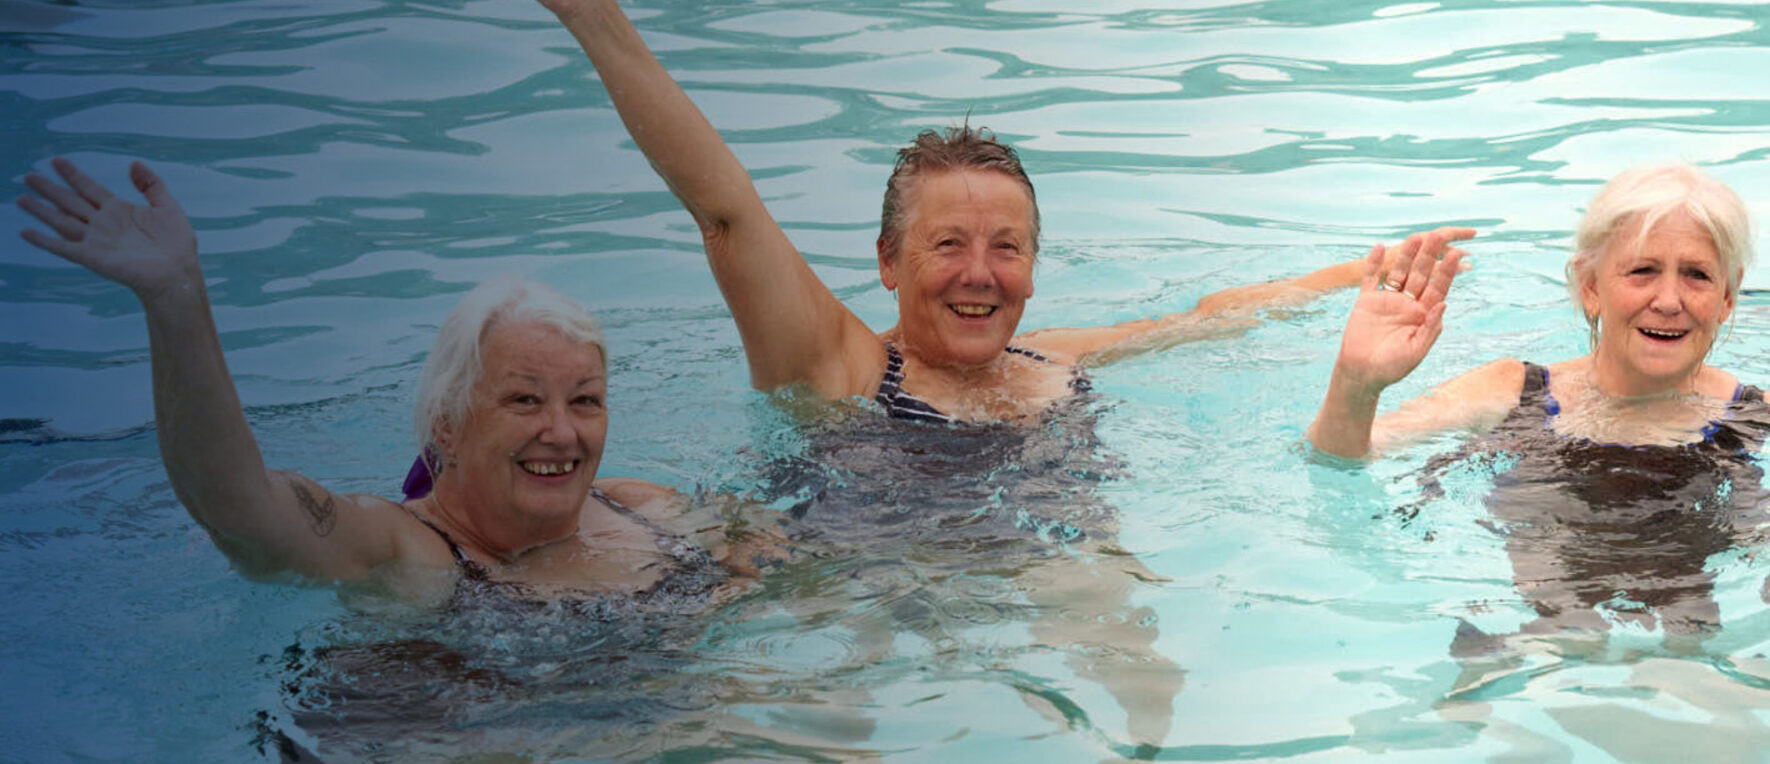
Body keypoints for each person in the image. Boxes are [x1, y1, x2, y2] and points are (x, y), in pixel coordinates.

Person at [540, 0, 1430, 424]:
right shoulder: (836, 368)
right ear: (889, 262)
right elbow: (725, 214)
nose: (980, 271)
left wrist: (1359, 275)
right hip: (881, 585)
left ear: (1035, 269)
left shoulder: (1053, 359)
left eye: (1007, 246)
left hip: (1052, 573)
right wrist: (599, 22)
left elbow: (1202, 321)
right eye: (949, 244)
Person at [13, 158, 757, 601]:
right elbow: (236, 506)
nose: (561, 431)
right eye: (524, 399)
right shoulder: (411, 553)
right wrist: (176, 299)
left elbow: (800, 571)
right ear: (446, 425)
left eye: (584, 401)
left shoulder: (646, 509)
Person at [1311, 162, 1770, 649]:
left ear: (1729, 300)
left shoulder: (1757, 415)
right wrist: (1356, 383)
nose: (1670, 299)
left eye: (1697, 275)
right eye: (1642, 271)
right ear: (1590, 287)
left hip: (1704, 637)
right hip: (1525, 636)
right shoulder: (1513, 391)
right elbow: (1342, 462)